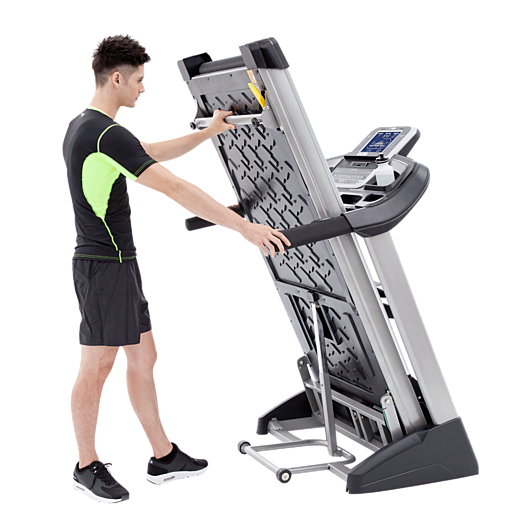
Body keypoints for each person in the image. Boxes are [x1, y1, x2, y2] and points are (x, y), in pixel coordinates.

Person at [63, 33, 290, 504]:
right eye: (140, 80)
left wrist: (208, 132)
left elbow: (150, 152)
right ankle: (85, 467)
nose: (144, 88)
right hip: (103, 268)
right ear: (117, 78)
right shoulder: (105, 133)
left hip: (117, 265)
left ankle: (163, 457)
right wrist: (243, 228)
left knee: (144, 356)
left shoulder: (89, 126)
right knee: (98, 366)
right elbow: (174, 187)